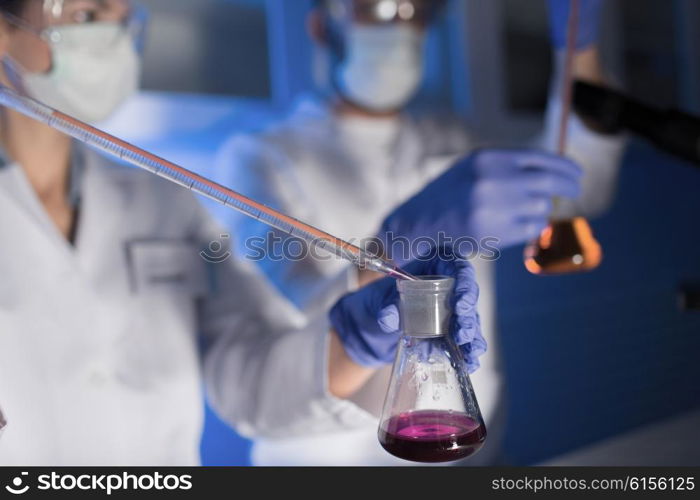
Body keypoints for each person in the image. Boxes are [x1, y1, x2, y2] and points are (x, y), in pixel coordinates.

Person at [0, 0, 494, 465]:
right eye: (86, 12)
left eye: (123, 19)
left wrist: (356, 338)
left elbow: (252, 379)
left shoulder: (161, 201)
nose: (109, 38)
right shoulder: (261, 156)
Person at [215, 0, 625, 465]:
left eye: (415, 11)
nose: (400, 25)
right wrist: (400, 239)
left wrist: (579, 51)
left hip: (466, 455)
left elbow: (578, 185)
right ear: (320, 25)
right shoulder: (257, 158)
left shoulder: (456, 143)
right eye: (377, 8)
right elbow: (295, 317)